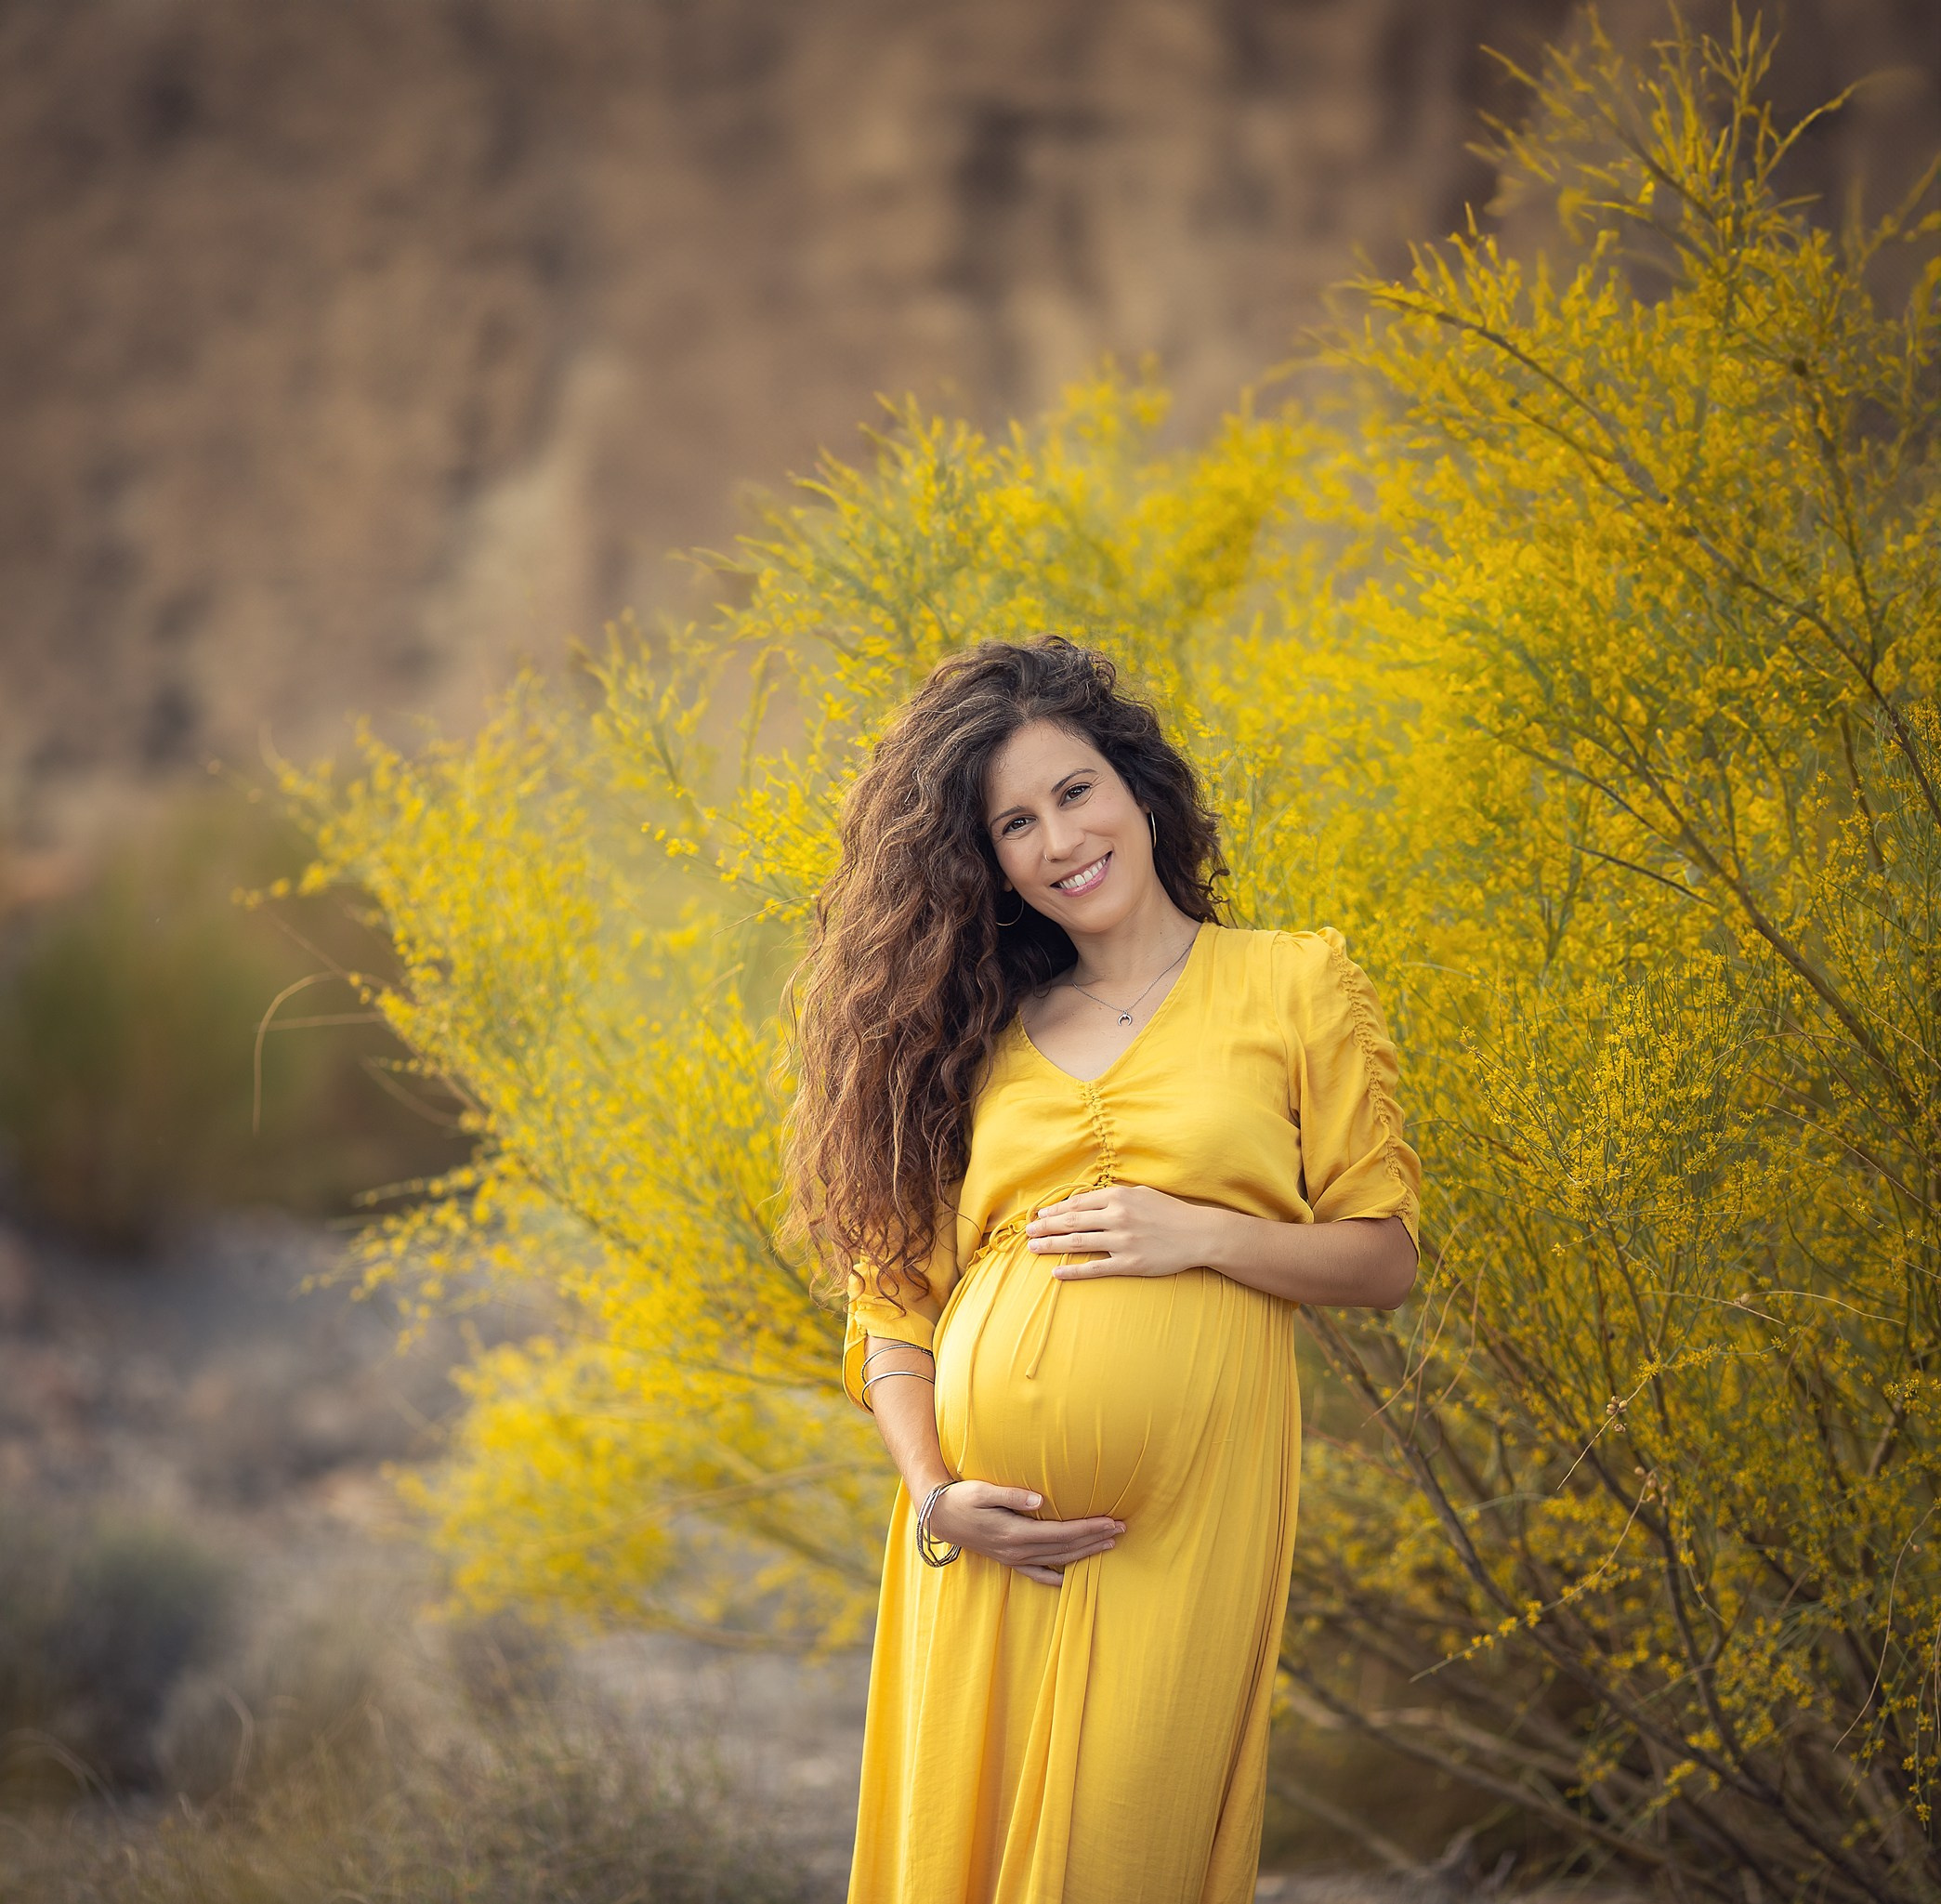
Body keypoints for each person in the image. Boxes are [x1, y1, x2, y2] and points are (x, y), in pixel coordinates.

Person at [786, 637, 1423, 1904]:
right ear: (991, 866)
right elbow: (894, 1310)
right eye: (1013, 823)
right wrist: (932, 1494)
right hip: (987, 1543)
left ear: (1135, 787)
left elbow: (1384, 1255)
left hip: (1186, 1523)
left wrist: (1209, 1235)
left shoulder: (1294, 982)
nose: (1057, 837)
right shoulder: (971, 1041)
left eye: (1072, 791)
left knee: (1120, 1863)